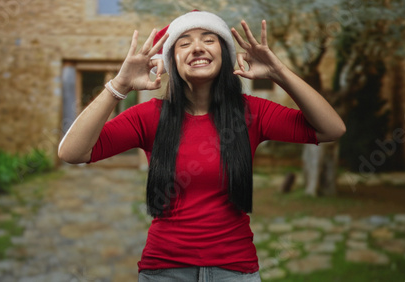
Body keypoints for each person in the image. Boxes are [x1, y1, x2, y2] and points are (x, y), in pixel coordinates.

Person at [58, 10, 345, 282]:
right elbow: (73, 153)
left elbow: (331, 128)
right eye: (184, 43)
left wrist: (278, 72)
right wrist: (119, 85)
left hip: (234, 269)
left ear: (224, 54)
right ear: (171, 61)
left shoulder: (251, 113)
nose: (197, 48)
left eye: (209, 40)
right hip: (164, 270)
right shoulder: (149, 116)